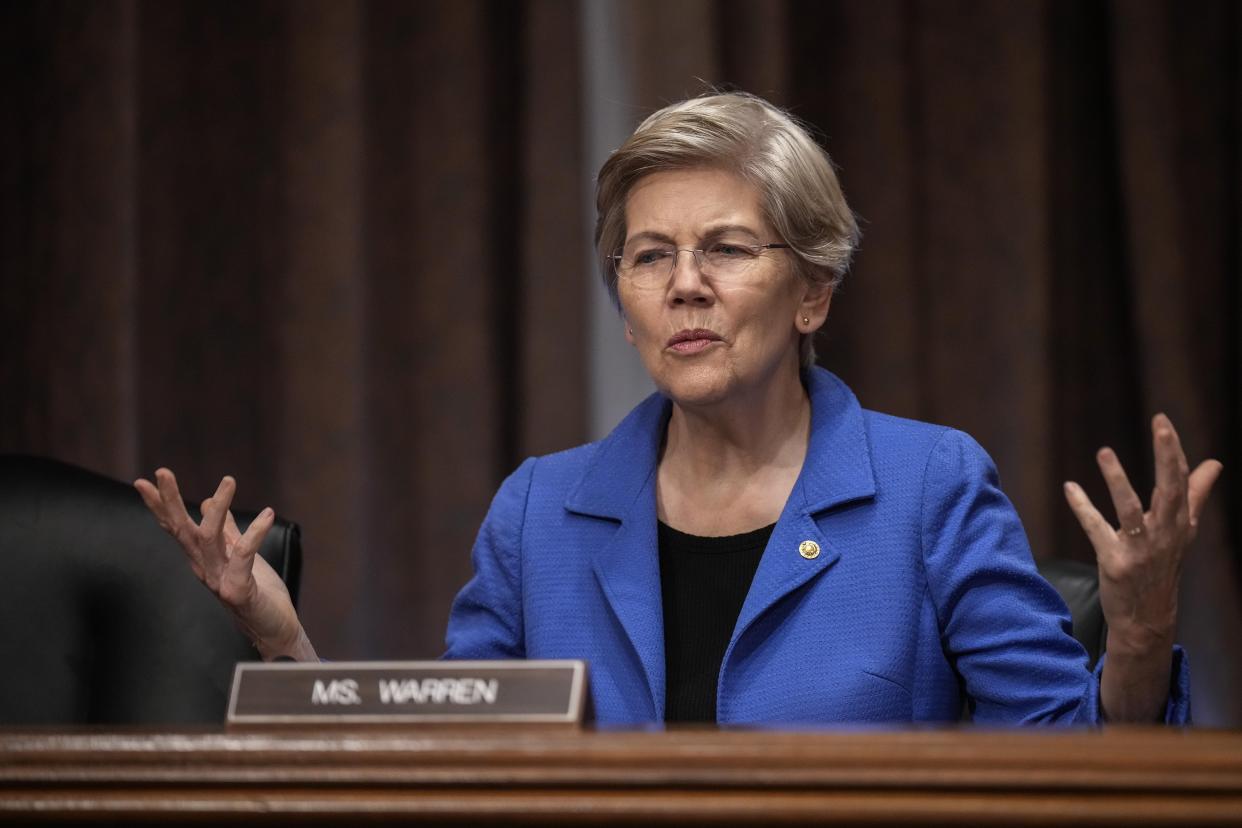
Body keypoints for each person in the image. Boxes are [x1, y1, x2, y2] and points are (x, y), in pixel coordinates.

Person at [136, 91, 1222, 725]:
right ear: (624, 304)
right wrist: (285, 641)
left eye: (727, 250)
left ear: (813, 293)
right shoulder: (539, 511)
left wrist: (1142, 629)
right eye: (648, 257)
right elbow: (452, 766)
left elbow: (1075, 762)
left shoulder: (931, 488)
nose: (682, 284)